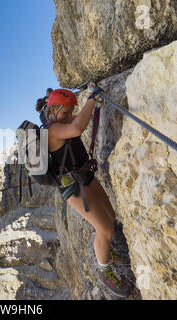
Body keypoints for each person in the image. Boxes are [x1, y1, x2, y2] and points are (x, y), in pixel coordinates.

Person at [44, 84, 130, 298]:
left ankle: (107, 250)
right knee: (106, 230)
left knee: (110, 217)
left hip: (84, 176)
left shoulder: (59, 122)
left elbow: (74, 125)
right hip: (72, 187)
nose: (69, 115)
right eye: (65, 112)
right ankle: (104, 270)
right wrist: (91, 99)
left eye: (71, 112)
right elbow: (76, 129)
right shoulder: (52, 130)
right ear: (53, 110)